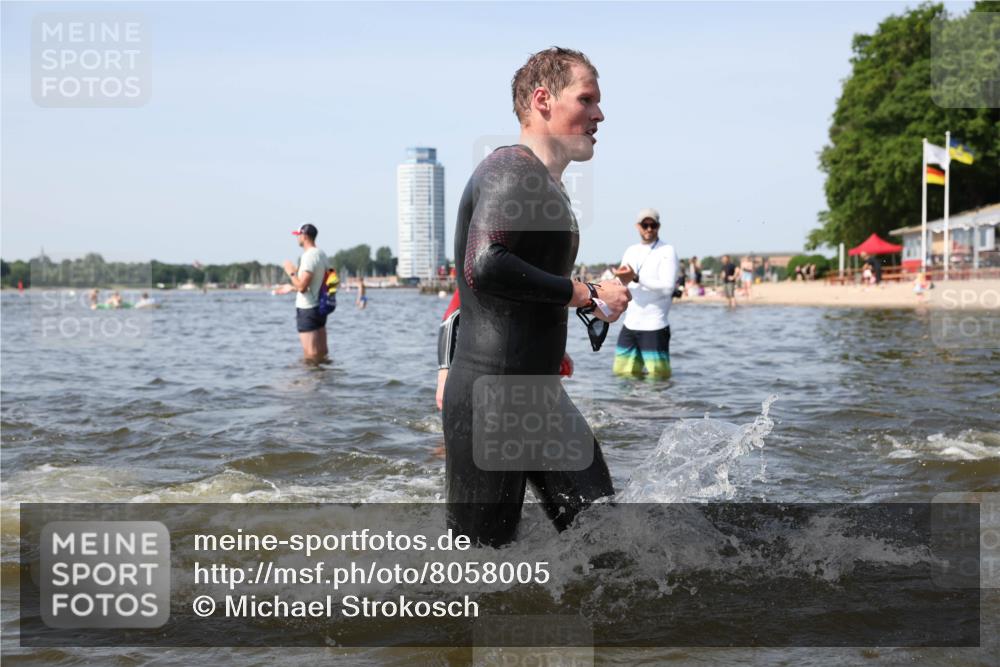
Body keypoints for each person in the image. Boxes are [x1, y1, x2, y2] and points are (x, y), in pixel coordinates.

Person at [443, 47, 630, 547]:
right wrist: (583, 293)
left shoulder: (546, 184)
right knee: (479, 569)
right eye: (586, 99)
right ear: (543, 100)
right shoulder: (512, 168)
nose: (599, 114)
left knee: (606, 539)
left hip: (536, 395)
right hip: (492, 398)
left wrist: (556, 328)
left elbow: (508, 284)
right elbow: (484, 265)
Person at [611, 208, 679, 379]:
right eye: (645, 225)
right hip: (630, 325)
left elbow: (668, 288)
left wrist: (636, 277)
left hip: (654, 326)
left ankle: (656, 407)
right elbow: (622, 283)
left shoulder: (667, 251)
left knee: (658, 380)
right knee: (621, 377)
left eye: (653, 225)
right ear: (638, 226)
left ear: (658, 226)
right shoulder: (631, 251)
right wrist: (620, 279)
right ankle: (629, 407)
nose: (649, 229)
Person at [282, 223, 330, 361]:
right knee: (322, 353)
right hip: (320, 307)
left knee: (310, 356)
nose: (297, 238)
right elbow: (321, 280)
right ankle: (324, 381)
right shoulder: (321, 254)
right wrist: (292, 287)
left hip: (308, 309)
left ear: (304, 236)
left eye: (298, 235)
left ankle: (310, 382)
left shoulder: (308, 256)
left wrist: (291, 272)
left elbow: (303, 287)